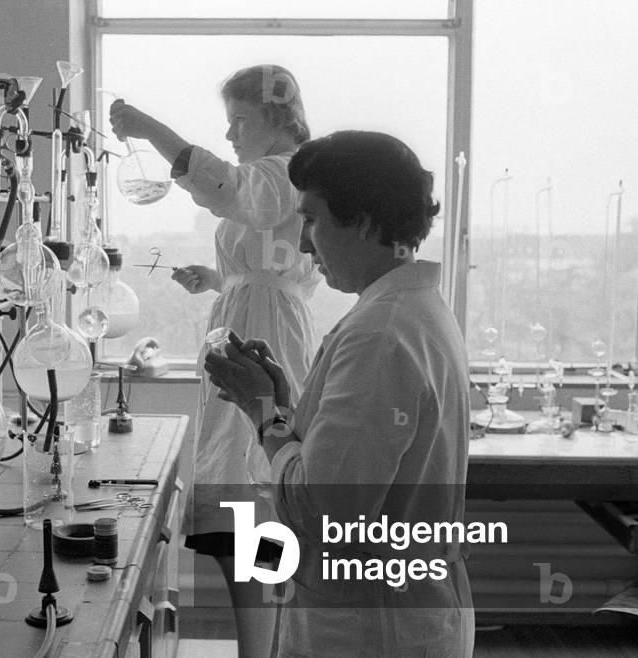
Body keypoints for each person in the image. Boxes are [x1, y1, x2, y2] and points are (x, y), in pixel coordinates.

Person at [204, 131, 475, 657]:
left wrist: (261, 413)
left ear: (367, 223)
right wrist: (283, 407)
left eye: (312, 219)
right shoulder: (414, 310)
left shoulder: (381, 331)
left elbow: (323, 511)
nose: (304, 244)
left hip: (370, 629)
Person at [110, 65, 320, 658]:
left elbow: (227, 188)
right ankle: (263, 648)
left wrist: (150, 127)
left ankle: (263, 652)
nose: (229, 133)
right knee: (244, 499)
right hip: (255, 319)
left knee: (253, 498)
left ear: (277, 117)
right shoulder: (275, 178)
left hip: (268, 334)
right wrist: (218, 281)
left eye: (239, 120)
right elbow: (263, 258)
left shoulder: (284, 171)